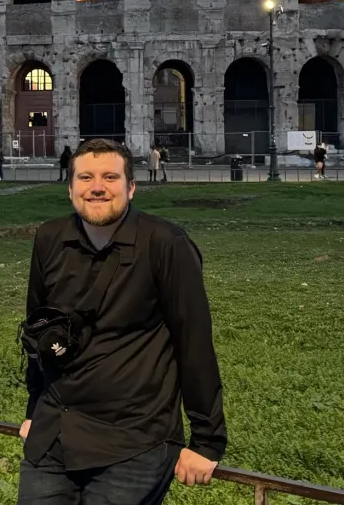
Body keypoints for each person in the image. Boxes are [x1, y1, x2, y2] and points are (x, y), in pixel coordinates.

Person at [17, 138, 225, 503]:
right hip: (56, 432)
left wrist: (206, 441)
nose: (97, 187)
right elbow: (38, 330)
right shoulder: (50, 238)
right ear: (70, 189)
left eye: (110, 177)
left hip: (134, 438)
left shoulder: (165, 244)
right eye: (85, 178)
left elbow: (193, 342)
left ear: (131, 188)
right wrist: (35, 409)